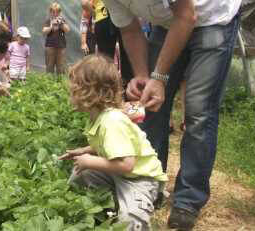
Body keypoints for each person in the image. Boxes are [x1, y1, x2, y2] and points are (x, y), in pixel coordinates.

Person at [100, 0, 242, 229]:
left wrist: (159, 78)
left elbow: (186, 16)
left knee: (198, 111)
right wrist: (143, 75)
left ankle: (188, 200)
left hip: (213, 17)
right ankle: (150, 185)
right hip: (167, 23)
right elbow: (130, 29)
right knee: (151, 107)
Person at [60, 55, 167, 231]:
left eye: (73, 90)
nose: (70, 95)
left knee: (130, 220)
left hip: (139, 178)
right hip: (120, 172)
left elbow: (127, 164)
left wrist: (89, 161)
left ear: (88, 91)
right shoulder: (98, 117)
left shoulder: (111, 120)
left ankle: (137, 207)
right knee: (82, 173)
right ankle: (101, 207)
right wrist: (83, 151)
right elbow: (107, 145)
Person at [81, 0, 133, 84]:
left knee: (105, 60)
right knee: (128, 58)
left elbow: (85, 3)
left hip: (102, 16)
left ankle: (105, 91)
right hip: (124, 15)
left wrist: (94, 14)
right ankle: (128, 91)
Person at [42, 2, 70, 75]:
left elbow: (67, 30)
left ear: (60, 12)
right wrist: (51, 26)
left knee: (61, 68)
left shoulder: (62, 20)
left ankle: (60, 84)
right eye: (53, 11)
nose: (55, 13)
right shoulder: (48, 20)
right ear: (50, 12)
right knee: (49, 67)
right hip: (50, 47)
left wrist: (61, 24)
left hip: (61, 47)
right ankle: (49, 84)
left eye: (57, 11)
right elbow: (44, 31)